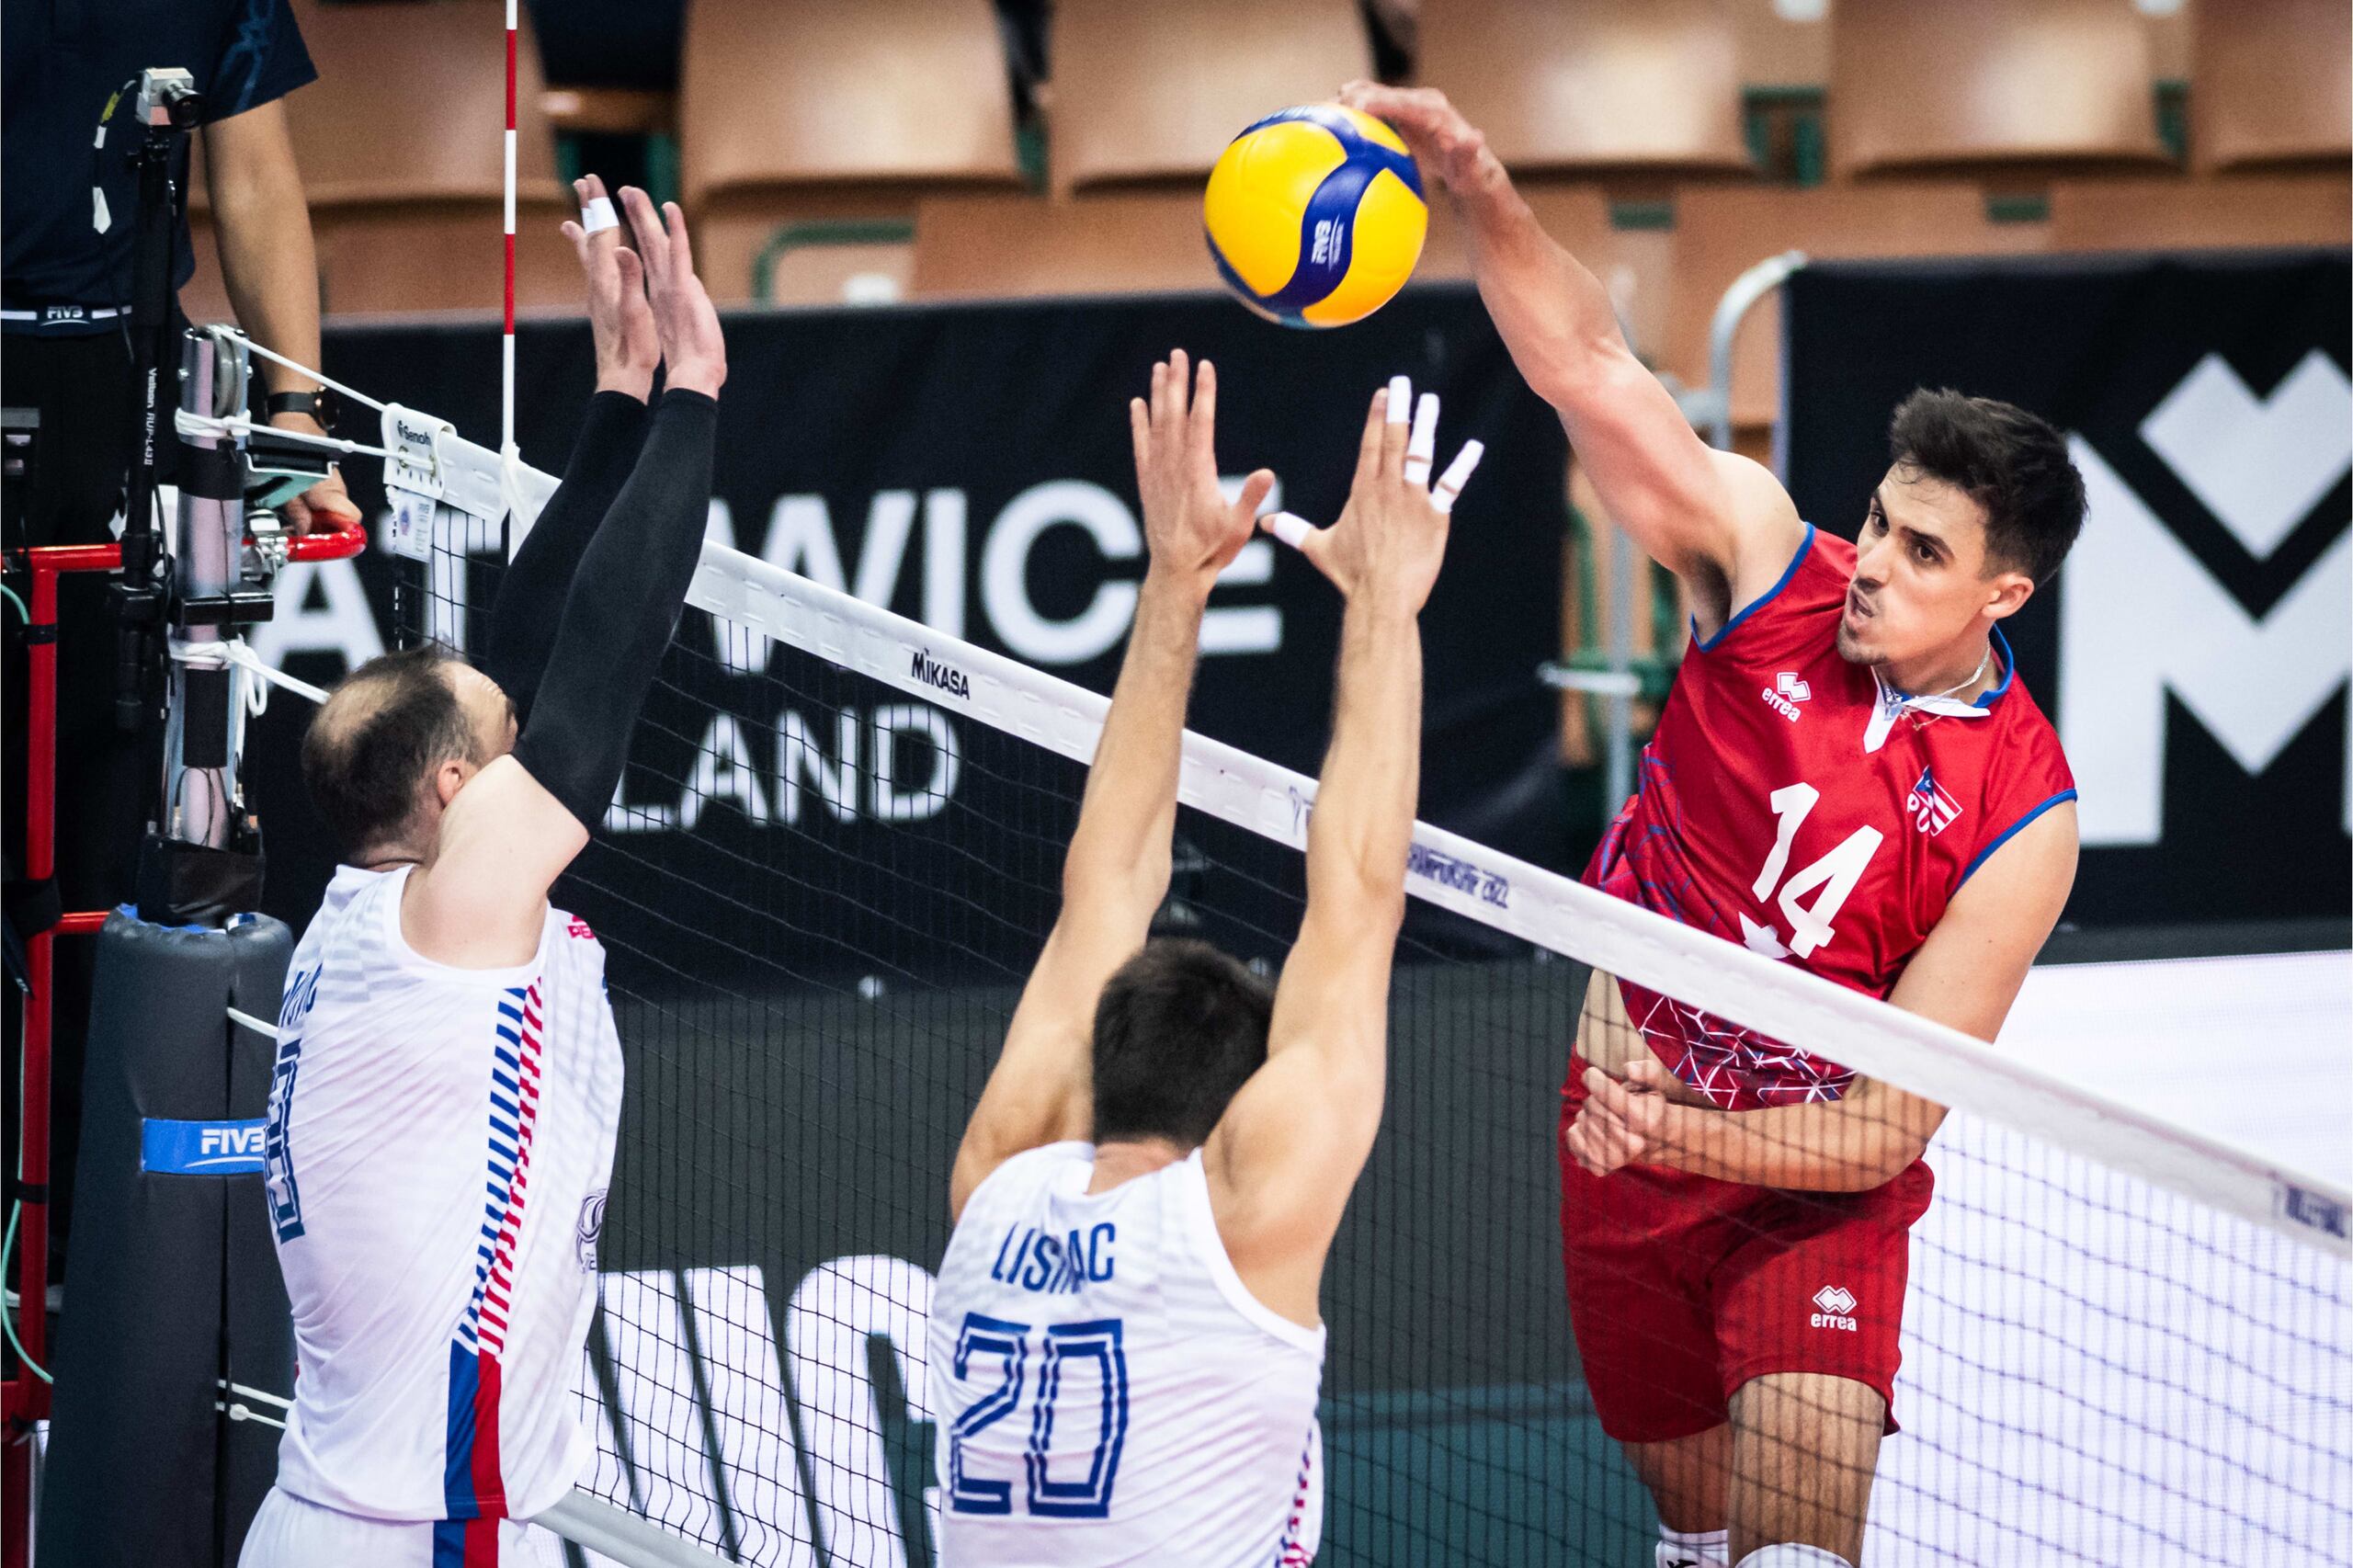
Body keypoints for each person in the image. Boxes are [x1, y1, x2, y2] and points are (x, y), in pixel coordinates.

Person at [1339, 83, 2085, 1568]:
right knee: (1697, 1538)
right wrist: (1481, 185)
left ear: (2004, 594)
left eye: (1923, 551)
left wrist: (1693, 1128)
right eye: (1878, 518)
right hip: (1624, 1148)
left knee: (1795, 1555)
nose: (1872, 561)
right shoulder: (1765, 565)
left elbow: (1886, 1124)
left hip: (1814, 1200)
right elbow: (1592, 365)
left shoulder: (2024, 813)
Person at [240, 179, 722, 1567]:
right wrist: (695, 390)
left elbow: (514, 668)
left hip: (345, 1519)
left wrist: (617, 398)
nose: (521, 744)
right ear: (457, 789)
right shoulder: (448, 919)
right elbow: (597, 673)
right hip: (412, 1535)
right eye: (498, 751)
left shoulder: (381, 905)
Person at [929, 355, 1478, 1565]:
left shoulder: (998, 1176)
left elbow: (1106, 882)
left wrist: (1176, 578)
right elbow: (1359, 896)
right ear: (1239, 1110)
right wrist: (1383, 604)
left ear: (1101, 1066)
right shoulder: (1246, 1210)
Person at [2, 0, 359, 1271]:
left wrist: (296, 415)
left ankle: (71, 1286)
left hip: (118, 430)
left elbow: (253, 171)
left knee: (98, 861)